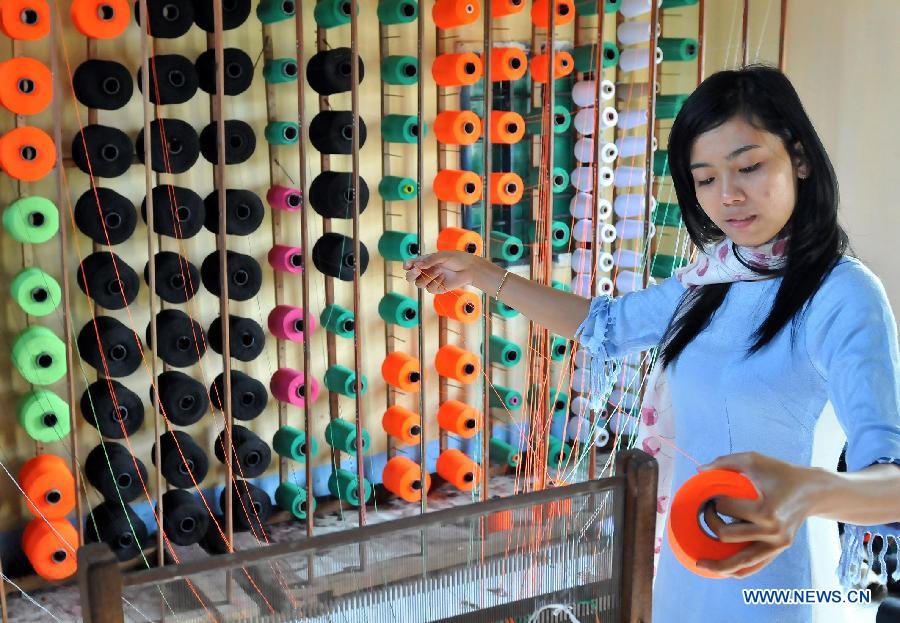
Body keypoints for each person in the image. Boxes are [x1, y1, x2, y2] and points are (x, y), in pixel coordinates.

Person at [405, 65, 900, 622]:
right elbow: (604, 325)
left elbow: (891, 479)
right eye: (705, 178)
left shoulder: (843, 295)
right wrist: (481, 273)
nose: (729, 196)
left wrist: (806, 492)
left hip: (775, 585)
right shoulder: (714, 279)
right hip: (686, 563)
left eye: (750, 166)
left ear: (800, 159)